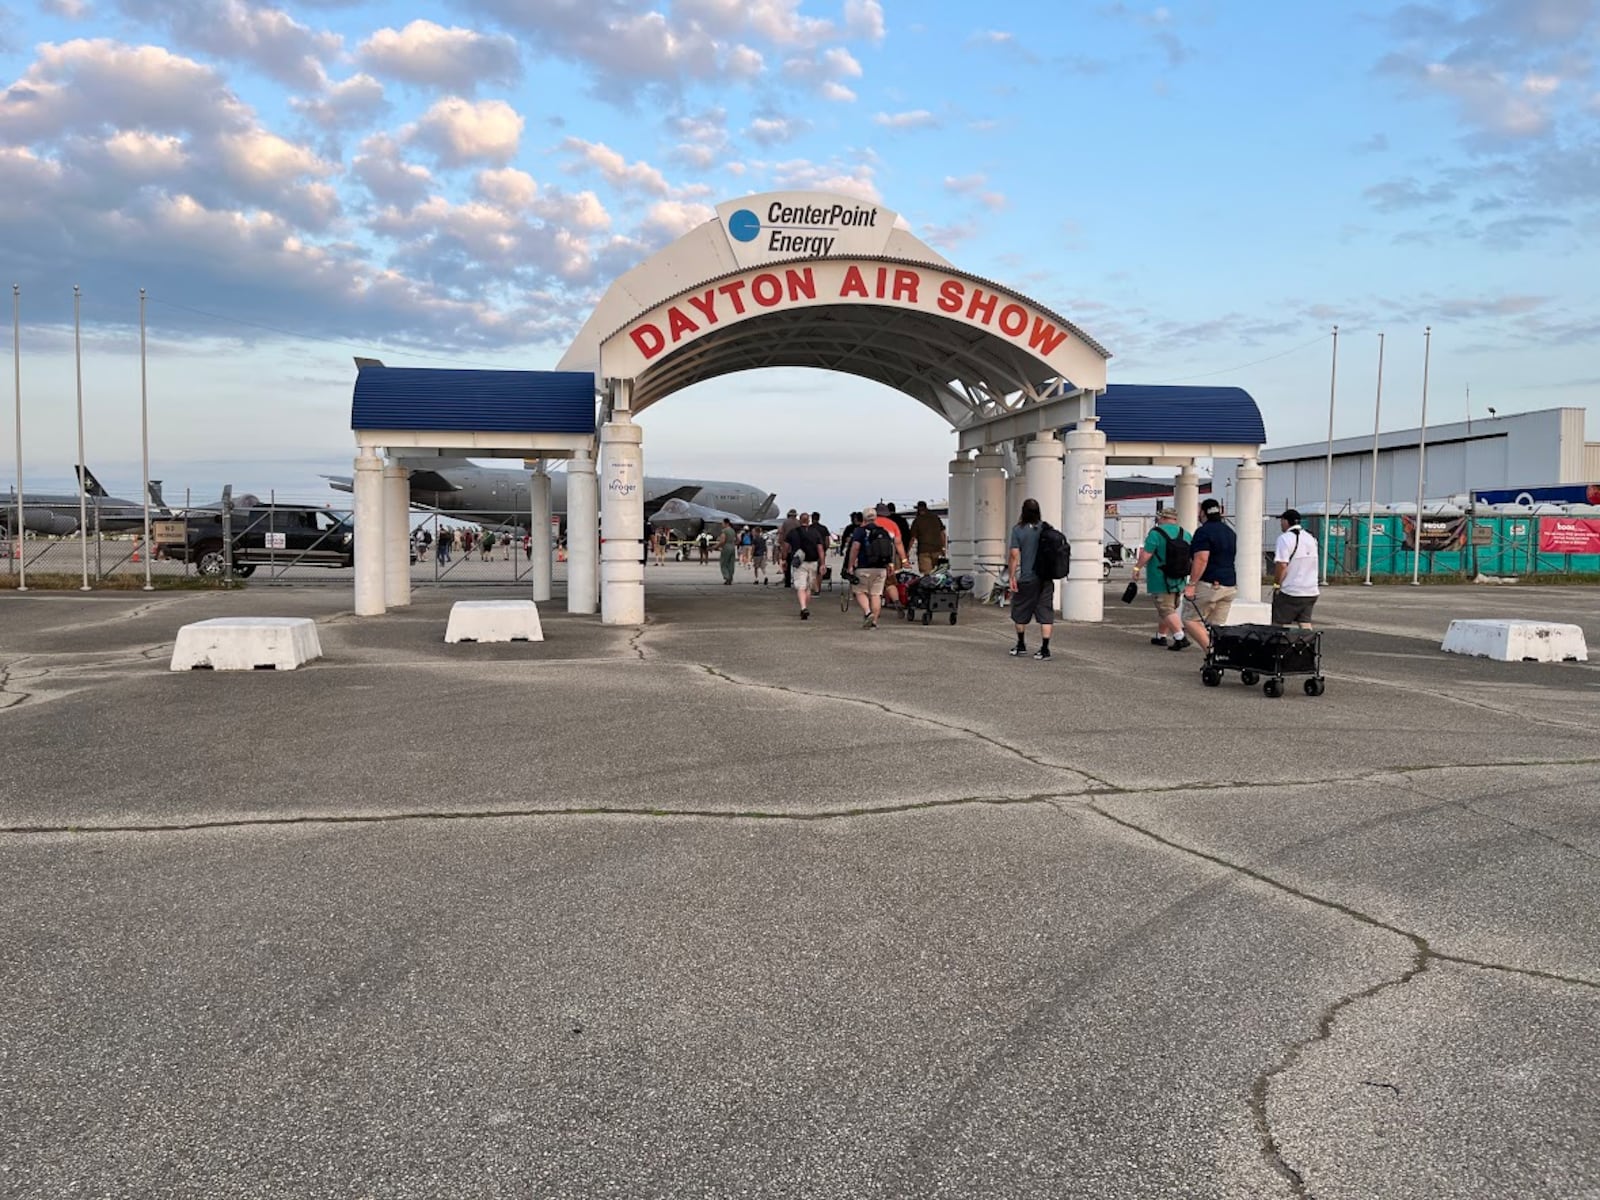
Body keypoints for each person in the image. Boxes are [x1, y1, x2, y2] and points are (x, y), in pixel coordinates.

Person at [1181, 498, 1237, 651]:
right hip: (1230, 585)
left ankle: (1213, 654)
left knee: (1190, 619)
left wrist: (1191, 584)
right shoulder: (1229, 532)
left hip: (1210, 584)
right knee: (1216, 627)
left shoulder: (1203, 532)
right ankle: (1219, 660)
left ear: (1203, 513)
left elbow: (1201, 558)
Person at [1135, 508, 1191, 651]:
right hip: (1179, 578)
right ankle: (1161, 636)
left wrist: (1137, 568)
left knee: (1166, 609)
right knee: (1170, 608)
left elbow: (1147, 554)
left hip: (1160, 578)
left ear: (1162, 518)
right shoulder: (1185, 534)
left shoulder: (1155, 534)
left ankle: (1180, 637)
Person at [1006, 497, 1055, 659]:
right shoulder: (1046, 528)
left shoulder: (1018, 530)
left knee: (1020, 610)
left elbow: (1014, 555)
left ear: (1023, 512)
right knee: (1045, 612)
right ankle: (1045, 648)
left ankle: (1021, 645)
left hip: (1027, 578)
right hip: (1045, 579)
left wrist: (1012, 576)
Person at [846, 502, 899, 628]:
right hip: (881, 568)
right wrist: (890, 564)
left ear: (863, 518)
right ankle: (874, 621)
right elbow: (891, 548)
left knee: (859, 591)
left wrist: (850, 565)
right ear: (875, 518)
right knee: (876, 594)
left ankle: (867, 612)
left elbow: (855, 548)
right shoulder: (883, 532)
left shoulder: (860, 531)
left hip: (864, 567)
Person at [1273, 508, 1321, 627]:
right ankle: (1308, 644)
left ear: (1285, 521)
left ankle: (1276, 644)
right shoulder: (1311, 538)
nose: (1281, 524)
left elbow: (1282, 565)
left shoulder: (1284, 538)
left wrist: (1276, 584)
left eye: (1281, 521)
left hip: (1291, 590)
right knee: (1304, 623)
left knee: (1277, 622)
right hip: (1311, 590)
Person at [785, 511, 827, 619]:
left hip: (799, 563)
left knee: (800, 587)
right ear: (808, 520)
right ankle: (805, 606)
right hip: (813, 562)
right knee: (808, 587)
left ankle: (803, 607)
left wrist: (784, 559)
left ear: (800, 520)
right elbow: (820, 549)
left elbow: (786, 546)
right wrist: (822, 563)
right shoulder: (815, 533)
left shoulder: (793, 532)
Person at [909, 500, 947, 574]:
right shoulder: (936, 518)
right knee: (938, 573)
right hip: (937, 550)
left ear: (918, 510)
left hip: (924, 551)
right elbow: (942, 534)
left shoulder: (917, 521)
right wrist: (943, 548)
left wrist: (907, 552)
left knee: (927, 575)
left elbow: (912, 538)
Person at [777, 509, 801, 586]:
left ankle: (787, 583)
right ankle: (797, 581)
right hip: (797, 547)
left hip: (787, 547)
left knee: (787, 564)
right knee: (798, 566)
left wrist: (780, 544)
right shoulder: (798, 523)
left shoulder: (785, 523)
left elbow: (781, 534)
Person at [716, 518, 737, 585]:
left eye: (722, 523)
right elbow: (738, 539)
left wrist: (716, 546)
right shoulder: (733, 530)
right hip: (732, 547)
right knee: (731, 564)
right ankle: (730, 578)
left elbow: (722, 541)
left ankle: (727, 577)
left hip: (726, 548)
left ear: (726, 523)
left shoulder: (724, 531)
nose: (722, 524)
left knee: (724, 563)